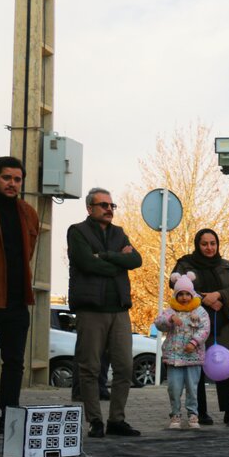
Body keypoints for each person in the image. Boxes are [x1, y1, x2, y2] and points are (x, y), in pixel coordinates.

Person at [67, 187, 142, 437]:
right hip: (91, 309)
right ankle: (95, 421)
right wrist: (117, 263)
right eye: (104, 205)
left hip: (119, 309)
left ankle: (116, 420)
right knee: (90, 367)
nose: (109, 209)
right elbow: (86, 262)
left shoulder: (119, 233)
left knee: (124, 367)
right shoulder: (77, 231)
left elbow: (135, 261)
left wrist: (106, 256)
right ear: (90, 208)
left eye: (112, 206)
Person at [175, 229, 229, 426]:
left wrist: (219, 295)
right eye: (204, 244)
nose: (209, 247)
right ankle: (200, 412)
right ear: (198, 244)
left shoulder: (225, 265)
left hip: (221, 321)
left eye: (213, 243)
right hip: (194, 322)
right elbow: (177, 286)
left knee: (224, 364)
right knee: (197, 367)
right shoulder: (186, 263)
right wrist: (205, 298)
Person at [0, 156, 39, 435]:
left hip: (15, 300)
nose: (12, 184)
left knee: (14, 363)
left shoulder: (27, 212)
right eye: (6, 178)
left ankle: (8, 420)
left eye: (17, 179)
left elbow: (29, 251)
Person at [154, 272, 210, 430]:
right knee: (174, 387)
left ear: (192, 294)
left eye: (187, 294)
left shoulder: (199, 312)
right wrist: (169, 320)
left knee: (192, 388)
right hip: (174, 358)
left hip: (193, 358)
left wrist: (194, 342)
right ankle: (175, 414)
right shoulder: (171, 311)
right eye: (180, 294)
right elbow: (158, 323)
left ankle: (193, 414)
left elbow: (205, 329)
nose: (184, 297)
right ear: (176, 295)